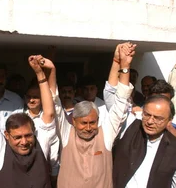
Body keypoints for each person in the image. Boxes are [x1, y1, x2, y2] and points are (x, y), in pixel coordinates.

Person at [55, 43, 135, 188]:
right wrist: (45, 74)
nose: (88, 128)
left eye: (92, 122)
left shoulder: (106, 135)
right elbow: (54, 106)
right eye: (83, 123)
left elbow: (121, 104)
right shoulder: (66, 133)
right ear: (73, 120)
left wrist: (124, 66)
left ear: (98, 120)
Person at [0, 55, 57, 187]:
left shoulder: (41, 143)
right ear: (7, 135)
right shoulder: (0, 151)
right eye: (17, 137)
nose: (24, 142)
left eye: (28, 135)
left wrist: (40, 74)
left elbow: (49, 113)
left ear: (34, 132)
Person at [113, 95, 176, 187]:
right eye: (147, 115)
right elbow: (114, 96)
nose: (150, 121)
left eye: (158, 118)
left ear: (169, 120)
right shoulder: (129, 127)